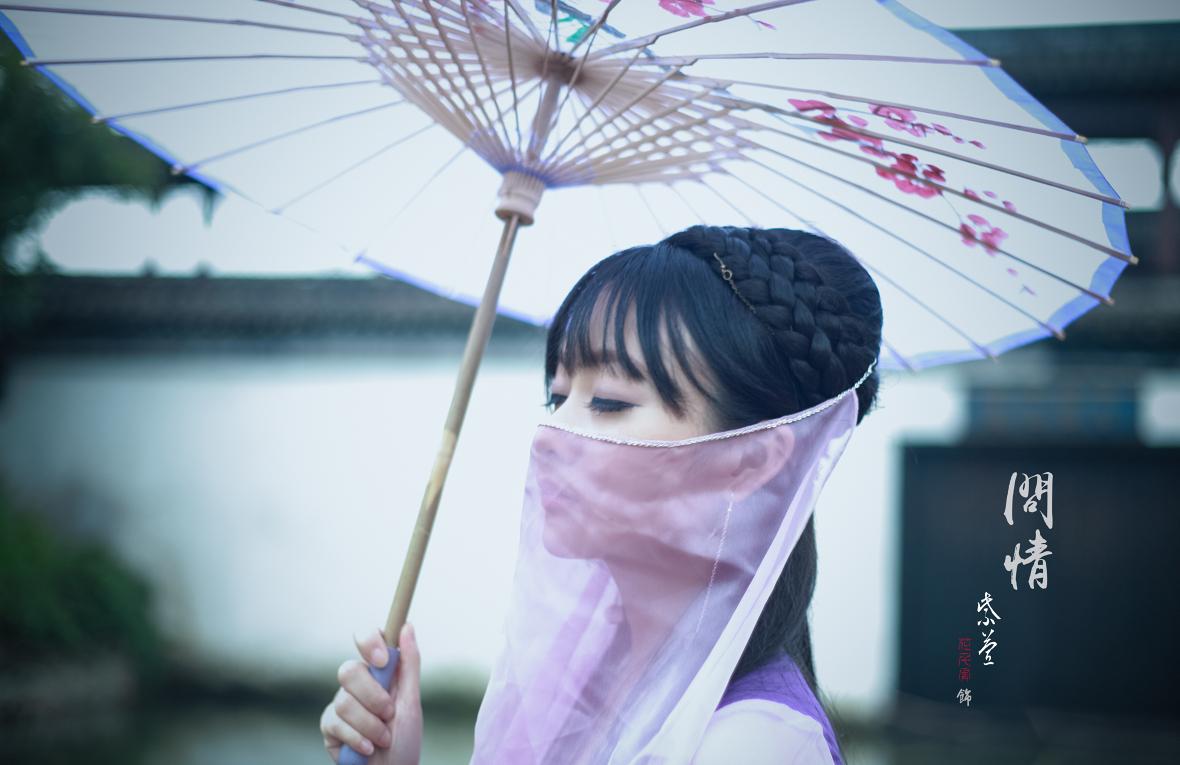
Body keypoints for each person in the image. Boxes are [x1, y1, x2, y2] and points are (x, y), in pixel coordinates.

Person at [320, 224, 883, 764]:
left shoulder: (755, 745)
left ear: (752, 459)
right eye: (556, 398)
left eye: (610, 402)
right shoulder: (582, 674)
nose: (550, 436)